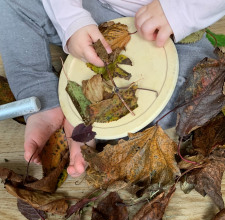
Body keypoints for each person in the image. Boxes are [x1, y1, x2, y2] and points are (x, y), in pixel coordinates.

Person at [0, 0, 224, 178]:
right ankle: (42, 99)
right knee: (13, 3)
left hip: (168, 33)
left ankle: (93, 121)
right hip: (93, 12)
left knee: (205, 84)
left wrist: (178, 11)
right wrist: (72, 21)